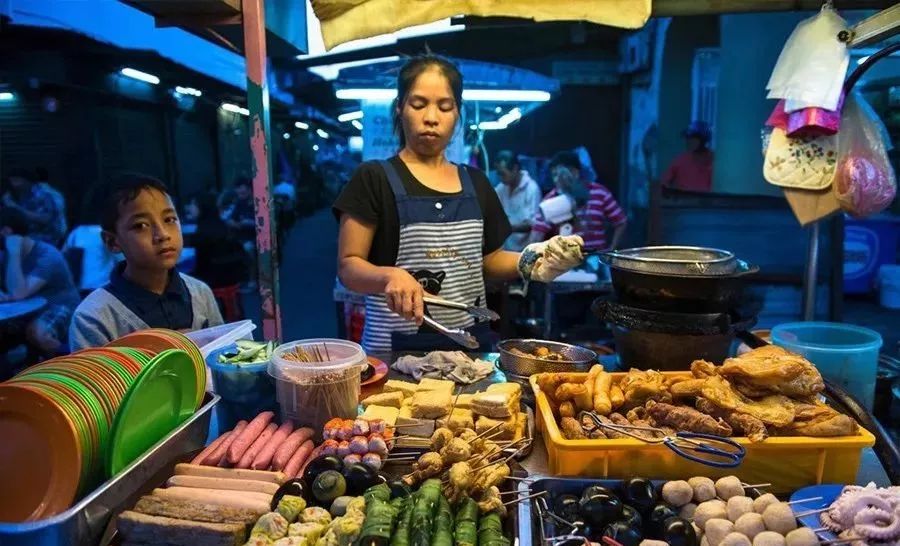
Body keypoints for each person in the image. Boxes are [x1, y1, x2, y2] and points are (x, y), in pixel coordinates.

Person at [333, 55, 583, 353]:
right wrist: (390, 275)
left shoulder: (475, 182)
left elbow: (488, 261)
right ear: (399, 108)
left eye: (445, 106)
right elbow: (348, 268)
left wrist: (532, 261)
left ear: (457, 113)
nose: (431, 117)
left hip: (469, 350)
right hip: (393, 353)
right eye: (418, 104)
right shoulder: (373, 178)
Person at [68, 174, 223, 350]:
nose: (163, 234)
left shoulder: (200, 292)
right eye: (140, 225)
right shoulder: (94, 318)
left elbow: (223, 360)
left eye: (169, 219)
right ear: (112, 241)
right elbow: (94, 378)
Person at [0, 207, 80, 357]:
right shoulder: (4, 255)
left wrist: (14, 253)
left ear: (6, 232)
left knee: (37, 333)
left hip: (59, 305)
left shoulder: (47, 255)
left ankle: (75, 363)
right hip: (23, 309)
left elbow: (18, 293)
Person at [530, 151, 628, 253]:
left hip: (596, 258)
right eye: (554, 175)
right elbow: (536, 236)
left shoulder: (600, 193)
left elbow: (621, 221)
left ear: (575, 172)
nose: (556, 180)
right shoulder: (550, 200)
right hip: (565, 261)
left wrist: (612, 248)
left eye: (561, 174)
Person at [2, 168, 66, 245]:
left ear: (27, 181)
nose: (13, 184)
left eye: (16, 181)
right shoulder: (19, 193)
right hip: (28, 235)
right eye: (11, 181)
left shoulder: (45, 194)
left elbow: (45, 220)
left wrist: (14, 207)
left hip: (48, 237)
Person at [493, 150, 542, 252]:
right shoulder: (501, 188)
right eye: (499, 174)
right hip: (506, 251)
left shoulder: (531, 189)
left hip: (526, 252)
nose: (501, 178)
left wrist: (506, 228)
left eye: (503, 174)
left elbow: (532, 224)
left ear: (515, 169)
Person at [662, 120, 714, 192]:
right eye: (687, 138)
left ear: (703, 140)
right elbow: (664, 183)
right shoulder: (681, 160)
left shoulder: (714, 160)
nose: (689, 141)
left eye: (693, 138)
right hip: (683, 200)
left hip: (707, 201)